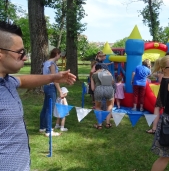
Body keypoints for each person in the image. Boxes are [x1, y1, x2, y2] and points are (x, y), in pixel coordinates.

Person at [0, 21, 76, 171]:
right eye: (20, 53)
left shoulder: (8, 81)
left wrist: (53, 77)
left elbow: (22, 80)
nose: (25, 57)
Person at [146, 52, 169, 134]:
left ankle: (156, 128)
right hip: (168, 91)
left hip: (165, 91)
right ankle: (158, 128)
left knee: (158, 108)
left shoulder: (164, 69)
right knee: (159, 108)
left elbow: (153, 75)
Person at [40, 48, 64, 137]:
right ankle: (48, 130)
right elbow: (54, 79)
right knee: (50, 109)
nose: (60, 57)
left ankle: (42, 127)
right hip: (51, 87)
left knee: (45, 107)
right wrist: (60, 91)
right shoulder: (52, 64)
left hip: (46, 86)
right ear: (57, 54)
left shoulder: (46, 62)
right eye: (60, 55)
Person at [91, 64, 114, 129]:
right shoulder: (107, 72)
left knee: (98, 107)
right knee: (109, 105)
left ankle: (99, 125)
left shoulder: (93, 75)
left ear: (96, 69)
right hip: (108, 88)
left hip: (98, 89)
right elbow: (112, 81)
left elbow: (92, 88)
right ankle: (108, 123)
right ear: (101, 68)